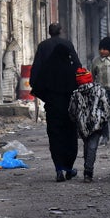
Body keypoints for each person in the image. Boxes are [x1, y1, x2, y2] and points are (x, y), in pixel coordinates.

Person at [30, 23, 82, 182]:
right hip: (69, 108)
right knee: (70, 136)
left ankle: (59, 168)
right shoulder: (68, 46)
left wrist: (47, 97)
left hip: (53, 106)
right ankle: (68, 167)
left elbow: (35, 78)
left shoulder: (43, 48)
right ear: (61, 32)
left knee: (55, 137)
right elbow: (79, 71)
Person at [68, 67, 110, 183]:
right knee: (92, 147)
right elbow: (106, 106)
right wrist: (105, 119)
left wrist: (76, 121)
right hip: (96, 123)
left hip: (82, 125)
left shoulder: (75, 94)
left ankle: (87, 170)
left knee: (88, 146)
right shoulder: (99, 90)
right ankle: (88, 172)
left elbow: (71, 111)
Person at [90, 37, 110, 145]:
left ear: (109, 49)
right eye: (100, 49)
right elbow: (92, 76)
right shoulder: (96, 61)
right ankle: (105, 136)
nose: (101, 51)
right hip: (101, 91)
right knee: (103, 115)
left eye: (104, 49)